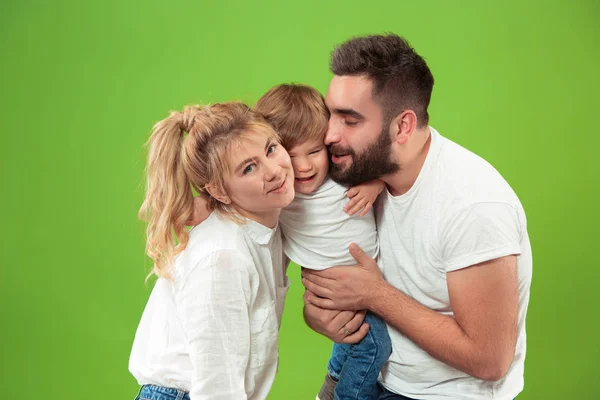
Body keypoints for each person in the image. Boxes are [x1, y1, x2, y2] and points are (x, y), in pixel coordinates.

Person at [302, 34, 533, 400]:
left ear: (403, 127)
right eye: (331, 114)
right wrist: (320, 317)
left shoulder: (473, 205)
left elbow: (489, 360)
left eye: (350, 120)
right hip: (368, 372)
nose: (329, 134)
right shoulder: (360, 170)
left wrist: (376, 295)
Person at [190, 83, 391, 400]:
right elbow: (234, 195)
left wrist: (375, 183)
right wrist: (206, 202)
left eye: (314, 152)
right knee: (373, 344)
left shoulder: (341, 172)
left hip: (364, 284)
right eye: (289, 153)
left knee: (352, 345)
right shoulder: (281, 195)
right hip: (332, 290)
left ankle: (332, 388)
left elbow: (385, 161)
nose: (303, 167)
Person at [128, 102, 296, 400]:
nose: (273, 171)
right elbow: (217, 392)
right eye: (248, 168)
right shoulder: (222, 259)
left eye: (271, 149)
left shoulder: (269, 217)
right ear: (218, 191)